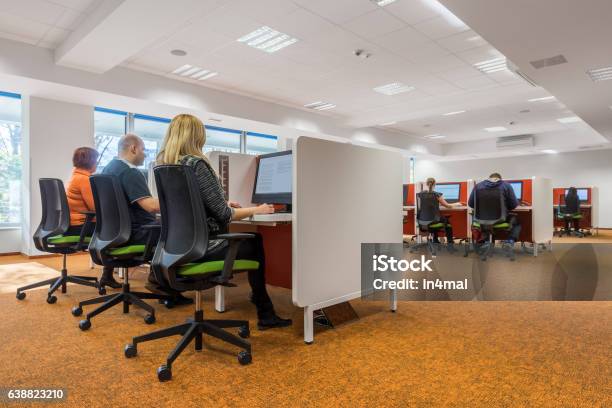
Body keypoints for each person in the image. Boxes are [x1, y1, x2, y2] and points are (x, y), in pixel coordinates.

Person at [156, 113, 292, 330]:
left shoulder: (166, 166)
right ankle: (265, 311)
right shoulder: (197, 164)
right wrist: (258, 209)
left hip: (179, 248)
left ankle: (261, 303)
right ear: (197, 136)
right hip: (204, 248)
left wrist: (223, 203)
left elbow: (191, 206)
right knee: (255, 240)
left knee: (251, 238)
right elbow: (225, 216)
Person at [102, 134, 191, 303]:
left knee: (164, 226)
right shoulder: (129, 172)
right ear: (133, 148)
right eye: (143, 150)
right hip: (136, 233)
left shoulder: (108, 169)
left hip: (115, 234)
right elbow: (151, 206)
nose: (145, 154)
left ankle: (159, 280)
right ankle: (161, 283)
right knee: (176, 231)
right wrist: (182, 197)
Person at [65, 147, 118, 288]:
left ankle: (108, 275)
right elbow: (95, 207)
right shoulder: (84, 180)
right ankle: (107, 276)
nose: (97, 162)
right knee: (115, 231)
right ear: (91, 161)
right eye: (96, 159)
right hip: (81, 226)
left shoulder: (75, 176)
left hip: (73, 224)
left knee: (111, 227)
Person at [468, 172, 521, 244]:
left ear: (489, 178)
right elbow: (513, 205)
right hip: (500, 219)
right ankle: (510, 241)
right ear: (500, 179)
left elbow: (471, 204)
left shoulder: (477, 186)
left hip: (480, 220)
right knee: (517, 222)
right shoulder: (506, 185)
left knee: (484, 222)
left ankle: (485, 239)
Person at [423, 177, 464, 246]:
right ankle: (450, 243)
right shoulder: (436, 194)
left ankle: (435, 239)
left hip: (423, 220)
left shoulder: (421, 194)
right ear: (434, 184)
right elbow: (448, 206)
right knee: (446, 222)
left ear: (426, 184)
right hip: (433, 220)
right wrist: (457, 204)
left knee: (436, 218)